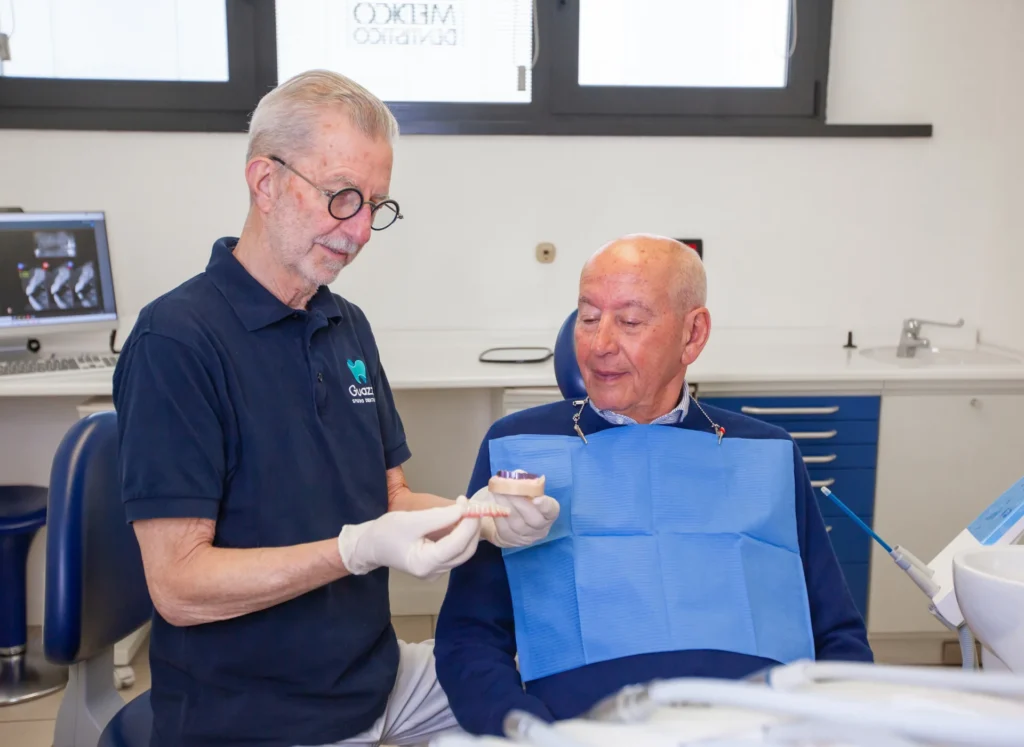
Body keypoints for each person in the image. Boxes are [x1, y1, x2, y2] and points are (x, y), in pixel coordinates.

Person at [112, 70, 558, 747]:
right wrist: (354, 549)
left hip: (379, 679)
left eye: (374, 204)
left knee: (559, 689)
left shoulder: (343, 322)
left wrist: (487, 519)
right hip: (258, 716)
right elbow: (178, 585)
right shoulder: (177, 340)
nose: (361, 230)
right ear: (264, 182)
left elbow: (389, 495)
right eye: (342, 197)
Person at [433, 234, 874, 737]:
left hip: (757, 729)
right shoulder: (520, 450)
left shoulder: (765, 453)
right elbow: (468, 639)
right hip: (581, 731)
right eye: (589, 317)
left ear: (693, 335)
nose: (600, 345)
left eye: (630, 321)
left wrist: (831, 726)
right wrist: (527, 729)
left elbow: (838, 637)